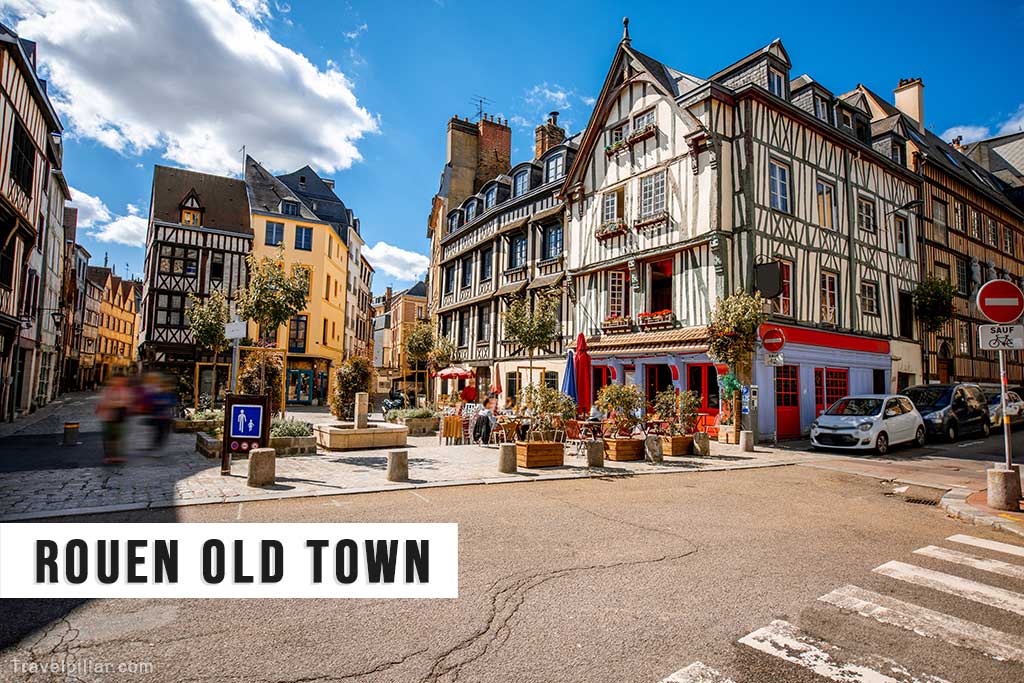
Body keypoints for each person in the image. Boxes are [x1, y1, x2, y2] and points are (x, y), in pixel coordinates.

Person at [96, 376, 132, 464]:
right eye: (117, 380)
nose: (119, 383)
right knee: (109, 437)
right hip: (108, 417)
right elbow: (103, 403)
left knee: (119, 436)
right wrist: (118, 404)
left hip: (120, 417)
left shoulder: (125, 390)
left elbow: (127, 402)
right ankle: (109, 456)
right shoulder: (107, 391)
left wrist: (115, 404)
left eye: (121, 381)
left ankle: (117, 455)